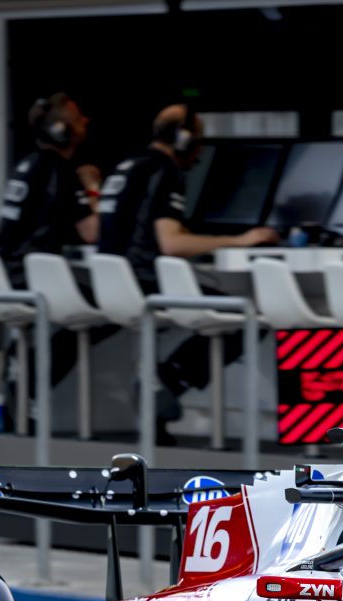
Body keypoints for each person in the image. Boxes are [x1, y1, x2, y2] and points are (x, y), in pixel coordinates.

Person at [98, 103, 278, 441]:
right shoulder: (166, 171)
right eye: (199, 143)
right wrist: (240, 240)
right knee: (248, 318)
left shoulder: (126, 167)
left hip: (115, 284)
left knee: (222, 309)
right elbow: (171, 244)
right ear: (183, 141)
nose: (198, 156)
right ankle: (169, 380)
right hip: (146, 283)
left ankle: (161, 391)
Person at [0, 92, 101, 287]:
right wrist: (92, 188)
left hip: (1, 273)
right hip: (29, 278)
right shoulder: (60, 170)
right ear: (60, 130)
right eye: (76, 118)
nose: (85, 120)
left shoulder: (27, 165)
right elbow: (92, 233)